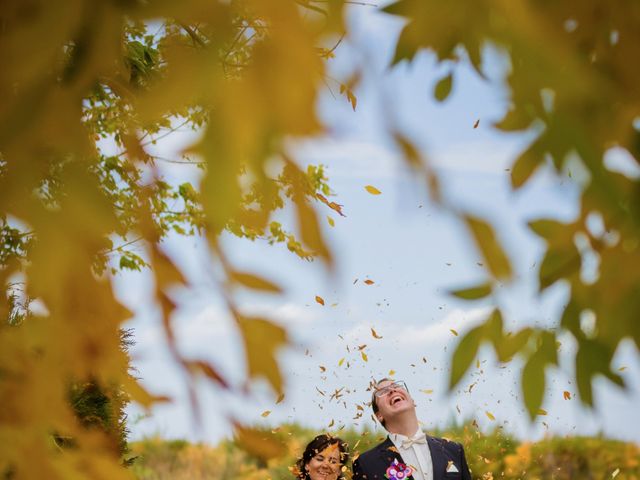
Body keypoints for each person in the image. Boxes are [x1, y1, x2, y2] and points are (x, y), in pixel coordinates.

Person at [352, 378, 471, 480]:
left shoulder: (454, 450)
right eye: (382, 391)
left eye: (396, 386)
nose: (392, 390)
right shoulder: (366, 463)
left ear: (412, 401)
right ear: (379, 416)